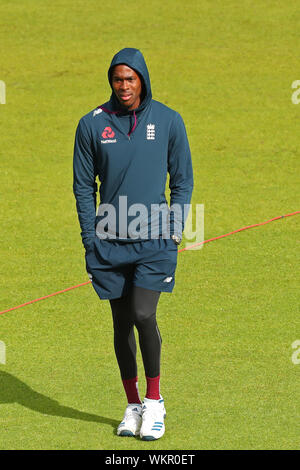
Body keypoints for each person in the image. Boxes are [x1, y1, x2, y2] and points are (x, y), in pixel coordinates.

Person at [73, 48, 193, 441]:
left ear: (142, 79)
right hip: (109, 242)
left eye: (130, 78)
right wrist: (90, 240)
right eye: (117, 79)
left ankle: (155, 402)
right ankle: (133, 405)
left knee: (143, 313)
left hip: (155, 239)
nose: (123, 86)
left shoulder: (169, 121)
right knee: (121, 323)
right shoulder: (92, 125)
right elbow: (82, 187)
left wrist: (176, 227)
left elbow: (182, 180)